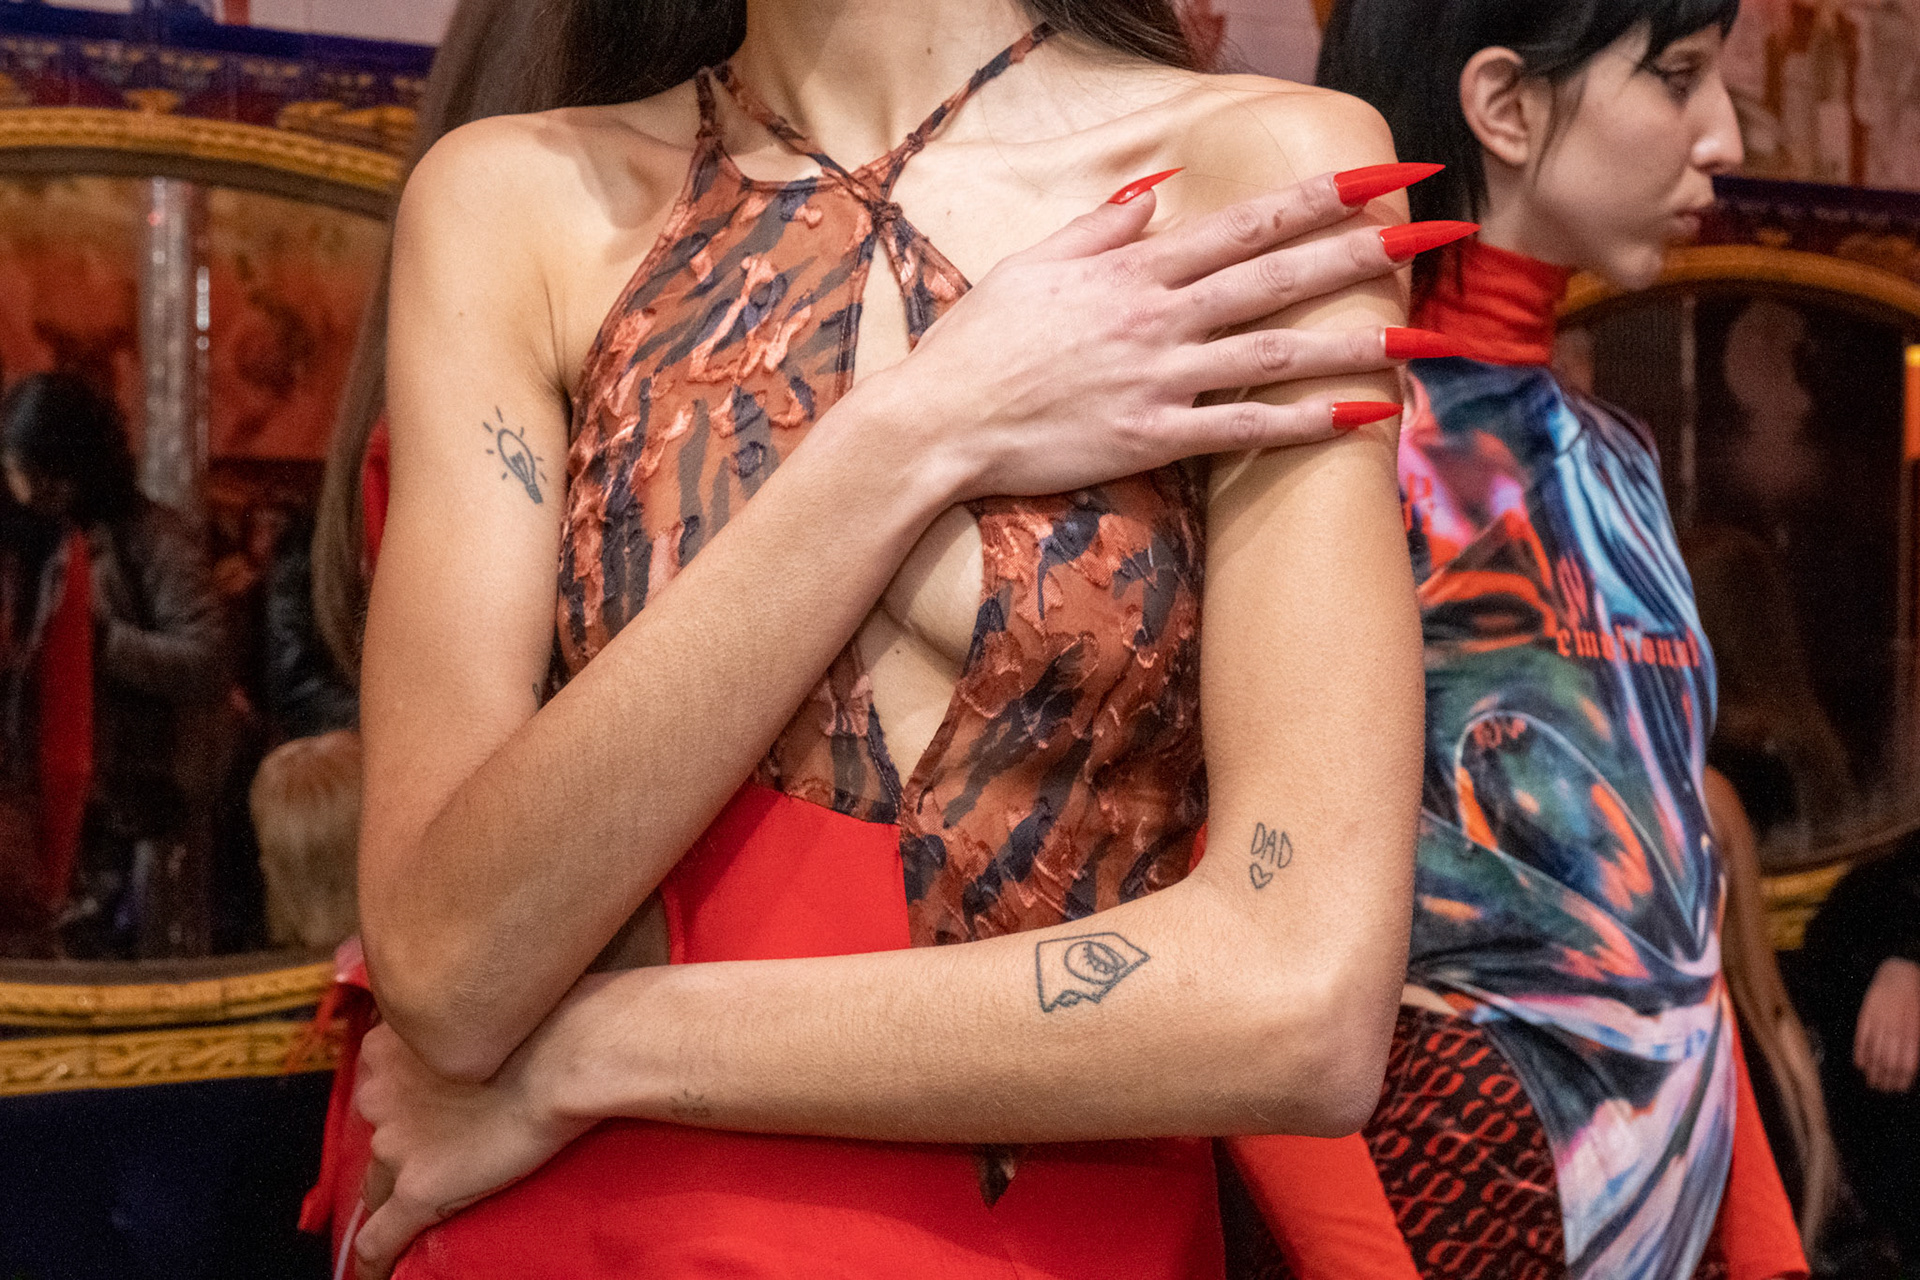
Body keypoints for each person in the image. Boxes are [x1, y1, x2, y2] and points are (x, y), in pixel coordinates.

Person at [340, 0, 1469, 1273]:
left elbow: (1300, 1003)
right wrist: (922, 426)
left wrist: (589, 1052)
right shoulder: (515, 202)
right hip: (588, 1239)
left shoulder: (1249, 174)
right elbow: (448, 969)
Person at [1223, 2, 1812, 1278]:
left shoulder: (1619, 460)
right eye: (1677, 76)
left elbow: (1672, 916)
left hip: (1656, 1212)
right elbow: (1241, 926)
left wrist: (1767, 1247)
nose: (1722, 137)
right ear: (1504, 105)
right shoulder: (1338, 437)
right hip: (1445, 1199)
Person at [0, 373, 225, 958]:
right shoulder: (34, 538)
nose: (26, 489)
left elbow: (206, 657)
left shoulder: (152, 538)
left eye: (39, 472)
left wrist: (94, 641)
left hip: (140, 799)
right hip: (73, 803)